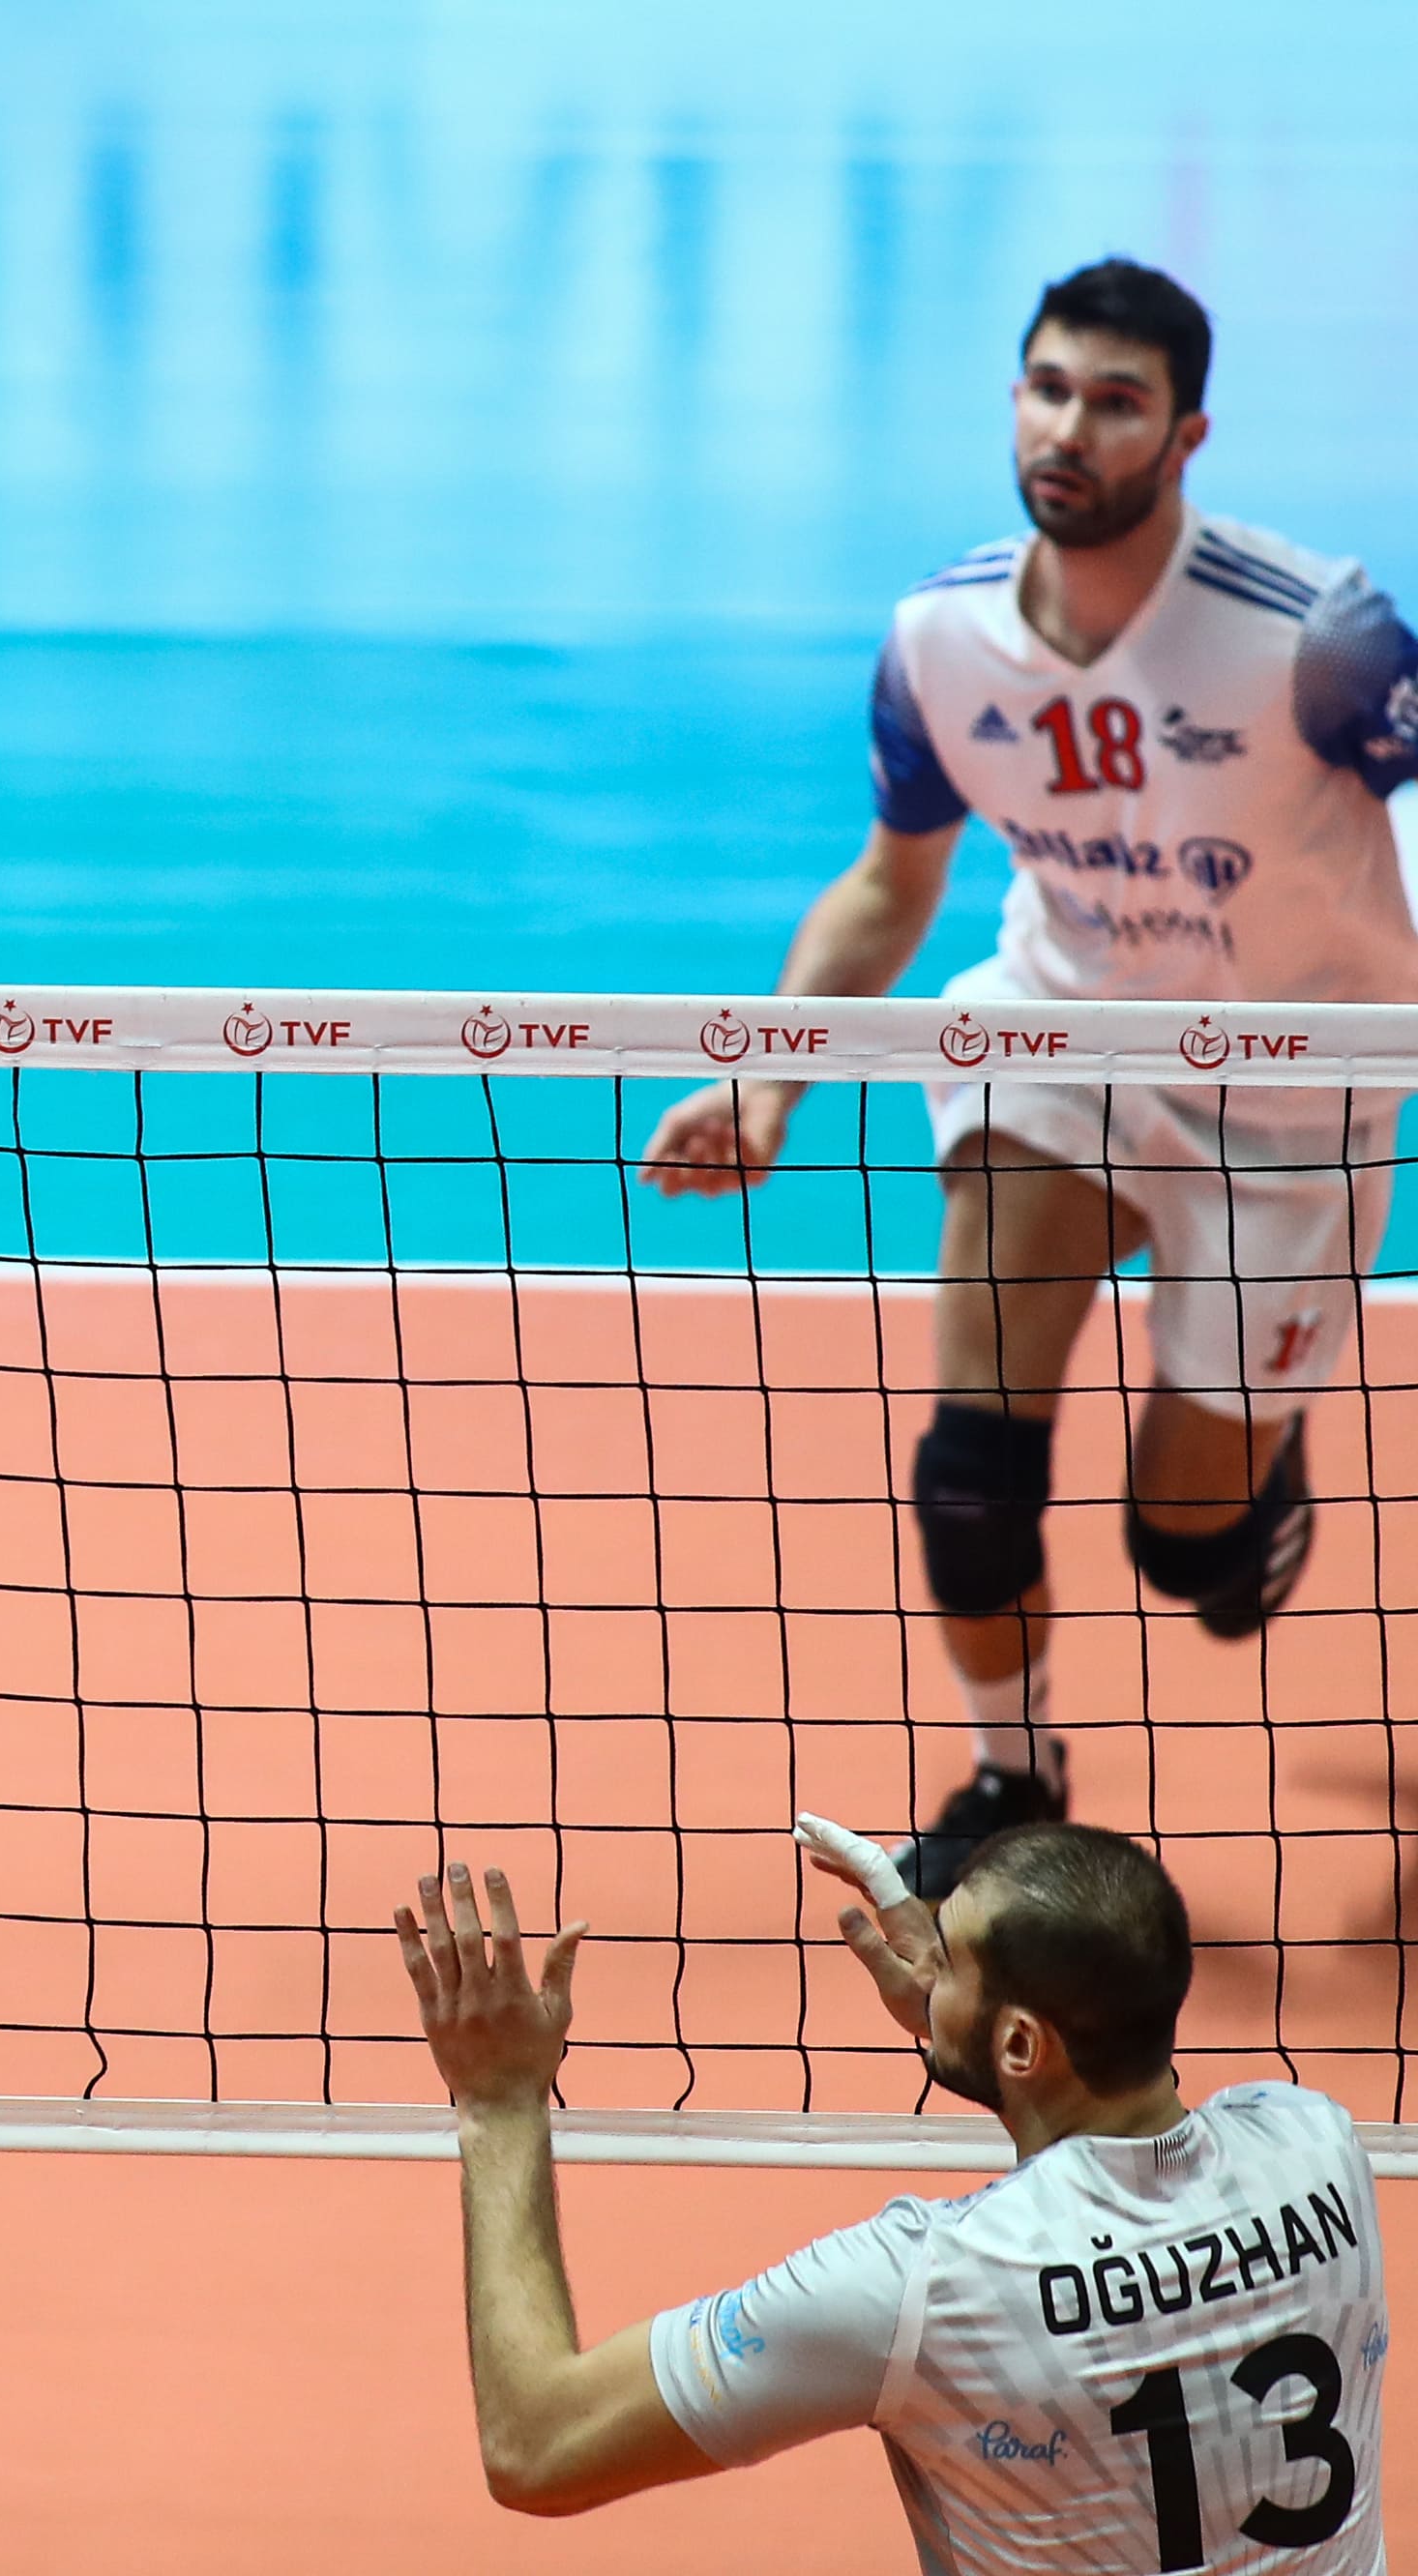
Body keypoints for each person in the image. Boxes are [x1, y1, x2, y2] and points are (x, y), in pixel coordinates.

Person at [639, 257, 1418, 1901]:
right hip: (1058, 1042)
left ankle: (1242, 1491)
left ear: (1186, 434)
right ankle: (1011, 1779)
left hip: (1297, 1082)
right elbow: (886, 887)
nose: (1070, 427)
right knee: (971, 1474)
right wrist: (770, 1085)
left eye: (1115, 401)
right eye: (1048, 389)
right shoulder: (941, 639)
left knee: (1184, 1550)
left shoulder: (1315, 634)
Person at [399, 1823, 1384, 2566]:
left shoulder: (926, 2287)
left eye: (946, 1958)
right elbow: (1113, 2125)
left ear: (1021, 2043)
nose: (923, 1962)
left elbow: (536, 2444)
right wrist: (973, 2022)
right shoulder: (1315, 2143)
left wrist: (500, 2099)